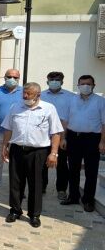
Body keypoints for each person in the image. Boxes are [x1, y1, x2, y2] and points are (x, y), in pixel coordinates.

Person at [1, 83, 63, 227]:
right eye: (24, 93)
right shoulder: (15, 107)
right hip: (17, 149)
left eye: (29, 94)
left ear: (38, 95)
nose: (25, 96)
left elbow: (56, 132)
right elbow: (8, 129)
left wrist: (54, 153)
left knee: (36, 184)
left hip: (38, 152)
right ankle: (15, 210)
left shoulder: (49, 108)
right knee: (15, 182)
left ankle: (34, 215)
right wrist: (5, 146)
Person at [63, 75, 105, 212]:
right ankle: (73, 196)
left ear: (93, 85)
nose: (85, 86)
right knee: (73, 169)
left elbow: (104, 123)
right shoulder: (71, 100)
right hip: (73, 137)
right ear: (78, 85)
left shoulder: (100, 101)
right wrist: (63, 138)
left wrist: (102, 141)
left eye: (88, 84)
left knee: (91, 171)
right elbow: (65, 120)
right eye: (82, 84)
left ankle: (88, 200)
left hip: (92, 139)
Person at [0, 69, 23, 195]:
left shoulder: (24, 92)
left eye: (15, 77)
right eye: (9, 76)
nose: (12, 79)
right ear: (5, 77)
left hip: (18, 133)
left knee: (18, 162)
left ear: (19, 78)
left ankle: (18, 187)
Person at [40, 71, 73, 199]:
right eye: (52, 79)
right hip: (43, 135)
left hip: (62, 135)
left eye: (57, 79)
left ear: (62, 81)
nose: (54, 82)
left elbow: (70, 117)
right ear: (47, 81)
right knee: (42, 162)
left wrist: (64, 137)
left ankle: (61, 189)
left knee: (62, 163)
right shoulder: (41, 95)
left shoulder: (70, 97)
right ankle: (41, 186)